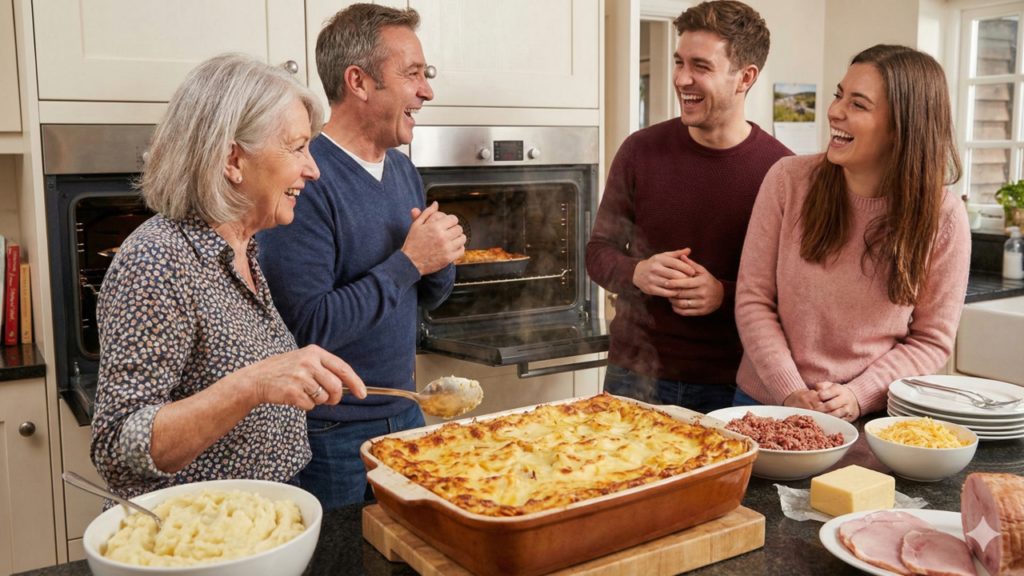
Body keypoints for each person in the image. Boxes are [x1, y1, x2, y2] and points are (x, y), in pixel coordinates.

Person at [90, 53, 368, 505]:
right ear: (232, 159)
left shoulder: (243, 248)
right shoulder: (158, 258)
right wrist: (252, 384)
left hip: (262, 517)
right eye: (297, 147)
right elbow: (118, 450)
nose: (313, 168)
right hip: (196, 531)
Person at [257, 4, 465, 510]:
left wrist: (440, 257)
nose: (427, 91)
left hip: (408, 415)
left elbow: (423, 297)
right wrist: (410, 261)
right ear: (359, 82)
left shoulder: (402, 169)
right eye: (412, 74)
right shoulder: (305, 180)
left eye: (426, 74)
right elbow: (307, 327)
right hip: (333, 433)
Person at [734, 44, 971, 422]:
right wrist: (790, 390)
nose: (834, 111)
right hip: (766, 405)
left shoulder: (944, 216)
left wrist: (858, 395)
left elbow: (931, 340)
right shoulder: (787, 180)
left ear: (903, 127)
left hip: (868, 417)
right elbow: (753, 300)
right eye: (839, 95)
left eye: (858, 104)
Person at [585, 0, 792, 413]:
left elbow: (793, 293)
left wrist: (722, 295)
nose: (681, 78)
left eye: (701, 66)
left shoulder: (783, 171)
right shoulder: (639, 150)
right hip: (633, 372)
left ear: (745, 77)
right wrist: (637, 272)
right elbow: (597, 252)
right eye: (679, 62)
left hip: (732, 383)